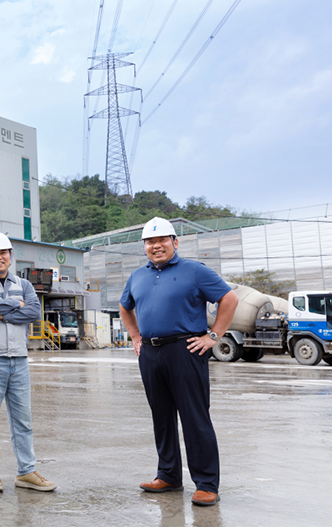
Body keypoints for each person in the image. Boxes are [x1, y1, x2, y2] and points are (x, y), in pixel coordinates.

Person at [119, 217, 238, 507]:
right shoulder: (137, 276)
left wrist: (213, 336)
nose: (156, 246)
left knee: (194, 417)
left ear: (175, 242)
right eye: (150, 241)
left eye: (162, 240)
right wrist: (135, 335)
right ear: (144, 246)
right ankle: (169, 475)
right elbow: (125, 306)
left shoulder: (195, 271)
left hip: (185, 350)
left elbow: (229, 298)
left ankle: (207, 483)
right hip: (150, 352)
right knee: (161, 416)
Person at [0, 231, 57, 493]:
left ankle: (26, 472)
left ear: (10, 256)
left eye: (2, 253)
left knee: (23, 421)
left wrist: (3, 313)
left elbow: (33, 311)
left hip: (19, 361)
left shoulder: (25, 285)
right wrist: (12, 305)